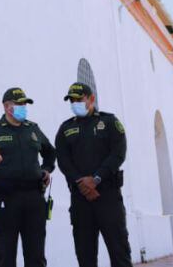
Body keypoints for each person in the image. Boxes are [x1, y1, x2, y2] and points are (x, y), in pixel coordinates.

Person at [0, 87, 55, 267]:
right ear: (6, 106)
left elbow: (50, 152)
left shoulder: (32, 129)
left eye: (24, 104)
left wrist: (47, 169)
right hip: (5, 202)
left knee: (36, 258)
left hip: (34, 200)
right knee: (5, 258)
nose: (23, 107)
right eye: (18, 104)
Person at [54, 83, 131, 267]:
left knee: (119, 252)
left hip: (108, 196)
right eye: (72, 100)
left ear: (91, 99)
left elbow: (118, 153)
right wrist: (82, 183)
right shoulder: (65, 129)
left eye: (79, 99)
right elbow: (63, 160)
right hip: (81, 199)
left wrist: (96, 178)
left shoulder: (109, 122)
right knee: (85, 255)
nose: (75, 103)